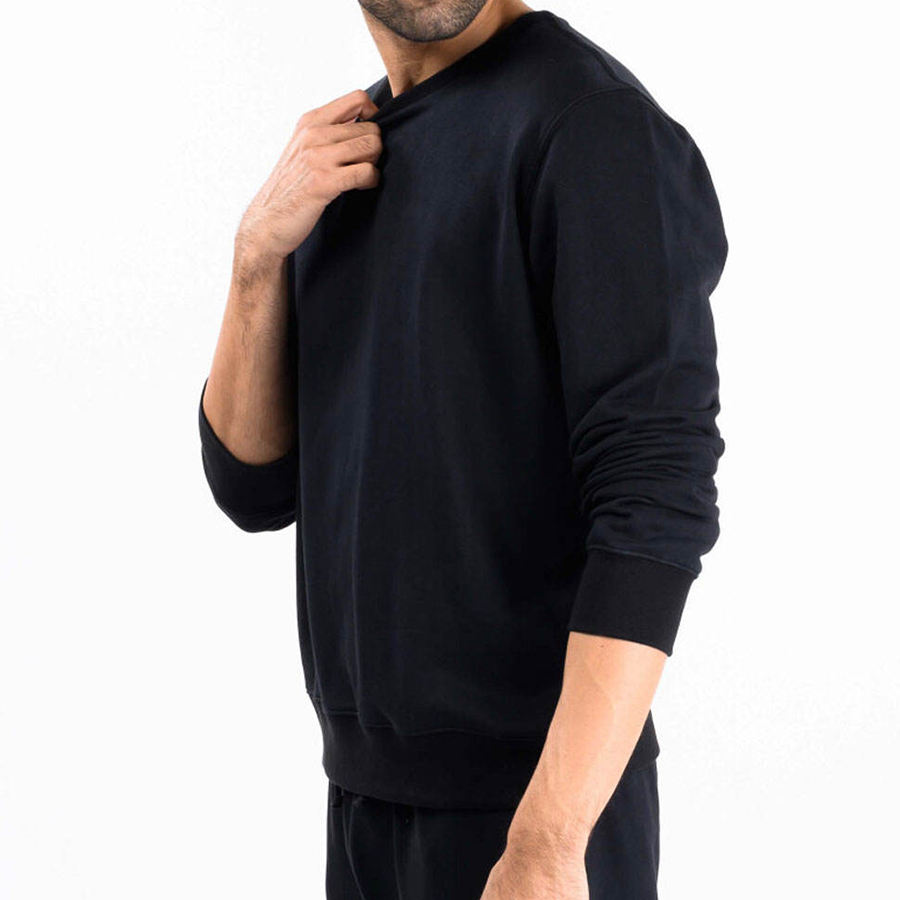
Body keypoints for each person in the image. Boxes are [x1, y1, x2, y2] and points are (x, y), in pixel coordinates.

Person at [197, 1, 728, 897]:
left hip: (533, 817)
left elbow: (656, 503)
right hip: (363, 808)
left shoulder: (590, 126)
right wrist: (257, 255)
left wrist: (548, 842)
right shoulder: (341, 158)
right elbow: (251, 484)